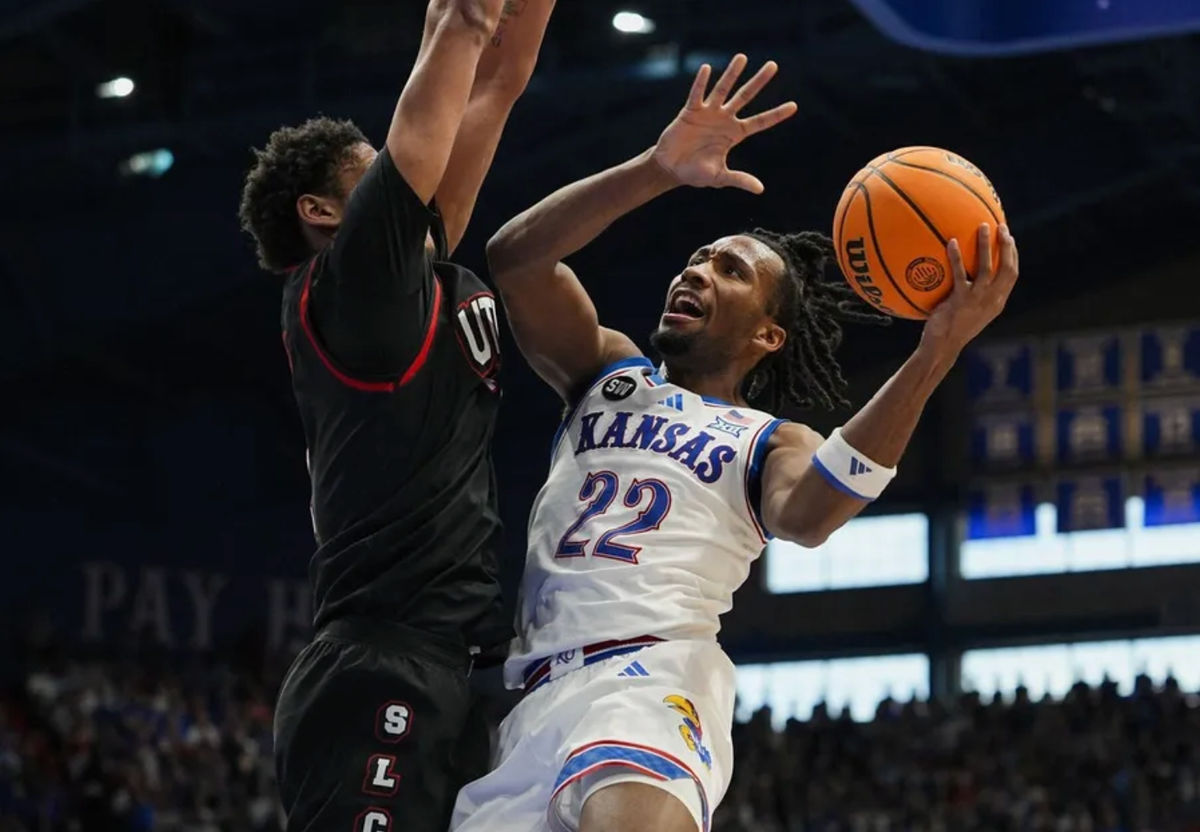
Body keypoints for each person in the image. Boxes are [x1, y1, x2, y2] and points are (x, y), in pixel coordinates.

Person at [450, 54, 1020, 832]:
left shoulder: (768, 439)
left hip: (651, 679)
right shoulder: (607, 373)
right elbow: (516, 258)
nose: (697, 272)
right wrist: (656, 168)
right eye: (694, 259)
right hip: (531, 705)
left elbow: (811, 515)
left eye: (728, 270)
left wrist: (935, 352)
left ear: (767, 333)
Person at [236, 1, 556, 830]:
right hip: (381, 663)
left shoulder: (412, 272)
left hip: (447, 664)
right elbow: (462, 30)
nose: (403, 165)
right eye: (372, 168)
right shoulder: (353, 284)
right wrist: (461, 23)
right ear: (324, 213)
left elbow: (500, 79)